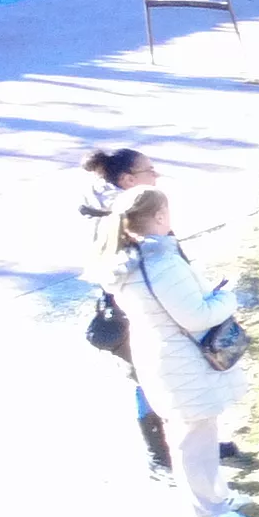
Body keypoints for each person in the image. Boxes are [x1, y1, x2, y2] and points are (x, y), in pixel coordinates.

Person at [91, 188, 253, 517]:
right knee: (192, 437)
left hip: (168, 357)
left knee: (200, 431)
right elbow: (196, 316)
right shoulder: (161, 264)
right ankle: (207, 512)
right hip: (181, 361)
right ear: (161, 217)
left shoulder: (131, 262)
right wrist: (227, 298)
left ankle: (216, 496)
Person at [76, 148, 180, 482]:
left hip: (150, 303)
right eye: (150, 170)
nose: (156, 175)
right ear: (127, 179)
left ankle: (189, 441)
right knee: (147, 378)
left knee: (175, 373)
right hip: (135, 311)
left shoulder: (123, 206)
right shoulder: (123, 215)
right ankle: (159, 457)